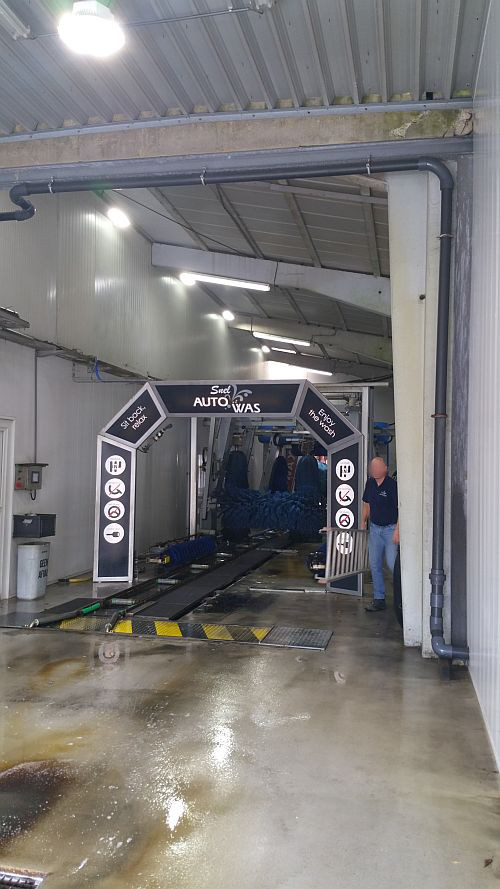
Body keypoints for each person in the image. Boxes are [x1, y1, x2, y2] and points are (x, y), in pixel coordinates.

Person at [361, 457, 399, 612]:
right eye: (373, 467)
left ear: (385, 469)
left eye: (378, 467)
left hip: (390, 529)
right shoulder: (370, 483)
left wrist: (397, 530)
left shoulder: (392, 486)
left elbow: (401, 508)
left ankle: (402, 597)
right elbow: (367, 503)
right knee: (375, 564)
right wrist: (363, 521)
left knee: (392, 564)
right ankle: (379, 599)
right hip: (375, 529)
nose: (374, 470)